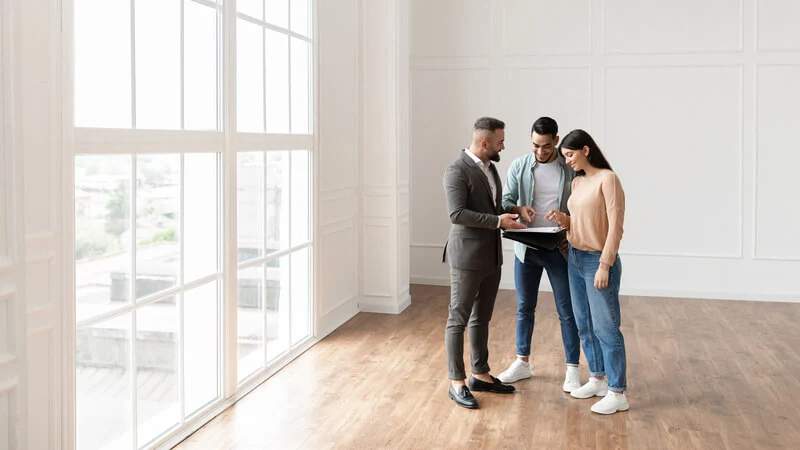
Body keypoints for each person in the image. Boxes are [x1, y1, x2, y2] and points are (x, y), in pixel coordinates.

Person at [442, 117, 525, 409]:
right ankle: (457, 382)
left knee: (482, 318)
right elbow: (457, 214)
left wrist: (513, 210)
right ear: (484, 143)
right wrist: (496, 221)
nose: (504, 145)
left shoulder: (491, 168)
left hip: (491, 256)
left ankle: (480, 373)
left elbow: (493, 207)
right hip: (466, 258)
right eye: (500, 141)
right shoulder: (456, 170)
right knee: (458, 319)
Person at [544, 129, 628, 414]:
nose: (567, 161)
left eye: (570, 155)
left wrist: (605, 265)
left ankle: (618, 392)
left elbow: (615, 226)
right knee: (584, 324)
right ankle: (598, 378)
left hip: (597, 260)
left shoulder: (608, 179)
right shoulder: (578, 182)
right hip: (575, 258)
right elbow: (581, 220)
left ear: (586, 150)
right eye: (565, 156)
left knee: (606, 327)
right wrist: (564, 219)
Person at [496, 117, 582, 393]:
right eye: (535, 146)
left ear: (556, 141)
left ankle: (572, 370)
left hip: (558, 248)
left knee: (567, 311)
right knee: (524, 307)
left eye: (546, 146)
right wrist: (520, 209)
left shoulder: (569, 169)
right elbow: (505, 201)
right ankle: (522, 362)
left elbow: (582, 207)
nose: (540, 152)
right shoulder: (520, 165)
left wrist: (570, 227)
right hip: (526, 247)